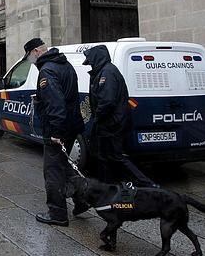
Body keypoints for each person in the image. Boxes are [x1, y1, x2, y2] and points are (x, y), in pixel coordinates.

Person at [24, 37, 89, 226]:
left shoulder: (47, 70)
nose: (30, 60)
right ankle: (82, 200)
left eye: (29, 56)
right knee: (64, 165)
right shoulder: (64, 64)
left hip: (58, 130)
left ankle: (57, 213)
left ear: (36, 51)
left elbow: (56, 104)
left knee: (52, 171)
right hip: (71, 125)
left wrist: (56, 133)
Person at [83, 45, 158, 188]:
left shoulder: (107, 73)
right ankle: (107, 184)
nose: (90, 64)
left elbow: (107, 101)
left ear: (97, 59)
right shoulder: (105, 71)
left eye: (91, 61)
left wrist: (97, 118)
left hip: (112, 123)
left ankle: (147, 184)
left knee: (116, 155)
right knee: (104, 156)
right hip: (111, 122)